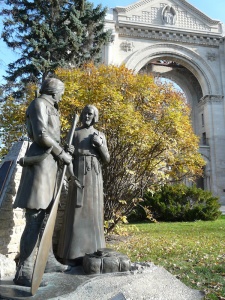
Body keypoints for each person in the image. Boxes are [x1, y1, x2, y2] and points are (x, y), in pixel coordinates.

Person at [13, 78, 72, 287]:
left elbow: (52, 137)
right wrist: (61, 152)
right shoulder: (39, 104)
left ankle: (48, 262)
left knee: (47, 216)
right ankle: (23, 270)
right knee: (35, 217)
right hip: (40, 165)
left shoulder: (52, 108)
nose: (62, 96)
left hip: (51, 165)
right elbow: (40, 135)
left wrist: (64, 149)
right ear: (55, 91)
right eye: (62, 92)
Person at [58, 104, 110, 265]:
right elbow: (66, 157)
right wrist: (69, 152)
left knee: (93, 212)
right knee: (76, 211)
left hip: (94, 175)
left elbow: (107, 159)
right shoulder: (75, 133)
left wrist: (100, 145)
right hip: (78, 173)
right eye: (85, 113)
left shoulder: (100, 134)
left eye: (90, 114)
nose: (87, 116)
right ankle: (71, 254)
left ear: (95, 116)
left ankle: (94, 251)